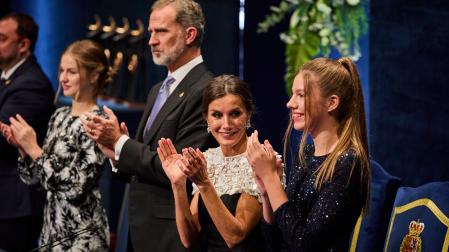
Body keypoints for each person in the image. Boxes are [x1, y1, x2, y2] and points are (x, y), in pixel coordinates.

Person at [81, 0, 216, 250]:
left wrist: (122, 143)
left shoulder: (206, 90)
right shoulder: (157, 90)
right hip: (135, 227)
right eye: (151, 32)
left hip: (169, 234)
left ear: (190, 35)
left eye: (161, 31)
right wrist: (116, 153)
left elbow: (181, 169)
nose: (151, 40)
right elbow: (142, 165)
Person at [246, 57, 371, 251]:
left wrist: (271, 178)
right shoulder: (307, 154)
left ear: (331, 103)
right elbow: (275, 241)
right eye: (292, 94)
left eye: (301, 95)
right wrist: (267, 191)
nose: (290, 103)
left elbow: (305, 244)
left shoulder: (348, 164)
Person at [0, 39, 110, 251]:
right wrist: (23, 149)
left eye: (72, 72)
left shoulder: (99, 122)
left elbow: (76, 188)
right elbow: (36, 179)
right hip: (52, 232)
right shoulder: (59, 115)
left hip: (82, 236)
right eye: (61, 71)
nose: (63, 78)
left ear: (94, 75)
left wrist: (33, 148)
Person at [158, 75, 270, 251]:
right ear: (206, 119)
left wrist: (204, 183)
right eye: (217, 115)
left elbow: (235, 237)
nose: (226, 124)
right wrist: (178, 184)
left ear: (248, 114)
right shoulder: (207, 159)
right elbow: (190, 240)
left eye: (235, 114)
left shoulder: (262, 160)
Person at [0, 12, 54, 252]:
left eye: (2, 39)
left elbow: (3, 139)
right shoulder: (6, 78)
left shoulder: (32, 83)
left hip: (13, 205)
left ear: (23, 45)